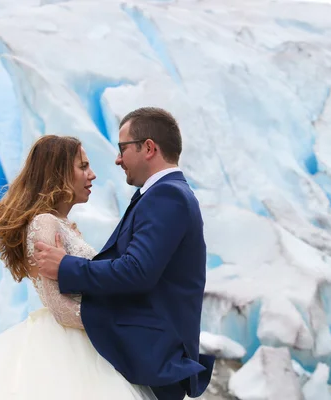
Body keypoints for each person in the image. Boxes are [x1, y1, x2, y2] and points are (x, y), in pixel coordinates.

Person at [0, 135, 156, 399]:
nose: (92, 175)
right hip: (69, 349)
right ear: (59, 172)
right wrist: (119, 321)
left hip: (85, 342)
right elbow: (60, 309)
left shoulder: (62, 223)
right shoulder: (45, 223)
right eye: (83, 166)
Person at [34, 107, 214, 400]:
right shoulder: (163, 195)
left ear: (148, 148)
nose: (117, 160)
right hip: (148, 351)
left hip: (155, 353)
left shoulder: (167, 196)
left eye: (122, 149)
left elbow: (137, 272)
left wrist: (66, 267)